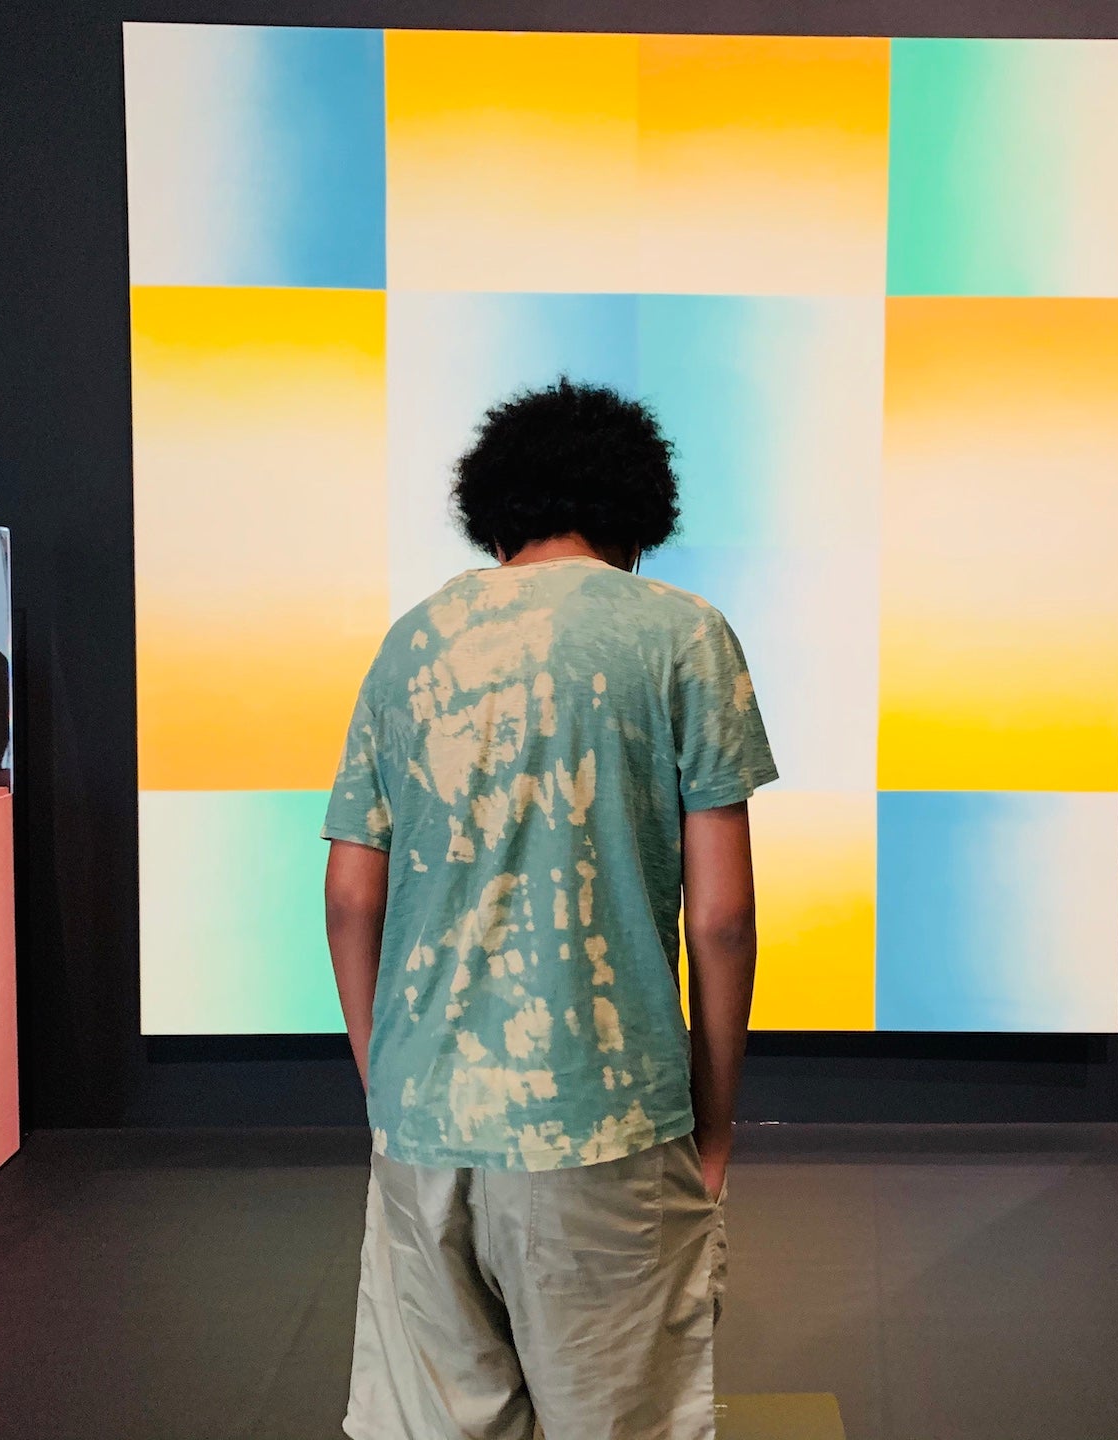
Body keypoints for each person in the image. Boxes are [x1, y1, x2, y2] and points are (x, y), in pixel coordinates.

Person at [322, 378, 777, 1440]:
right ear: (636, 513)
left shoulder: (412, 643)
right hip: (604, 1117)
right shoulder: (680, 636)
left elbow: (351, 893)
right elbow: (722, 919)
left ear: (497, 507)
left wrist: (386, 1083)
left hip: (423, 1121)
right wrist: (714, 1123)